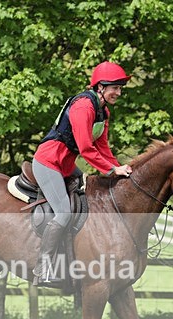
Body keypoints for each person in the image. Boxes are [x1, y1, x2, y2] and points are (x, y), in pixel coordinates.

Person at [32, 61, 134, 285]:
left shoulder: (102, 110)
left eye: (120, 88)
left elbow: (103, 147)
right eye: (114, 87)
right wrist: (110, 169)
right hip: (49, 162)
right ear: (100, 87)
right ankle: (43, 267)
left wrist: (119, 170)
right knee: (64, 213)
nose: (118, 92)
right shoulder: (84, 107)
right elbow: (87, 149)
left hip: (66, 166)